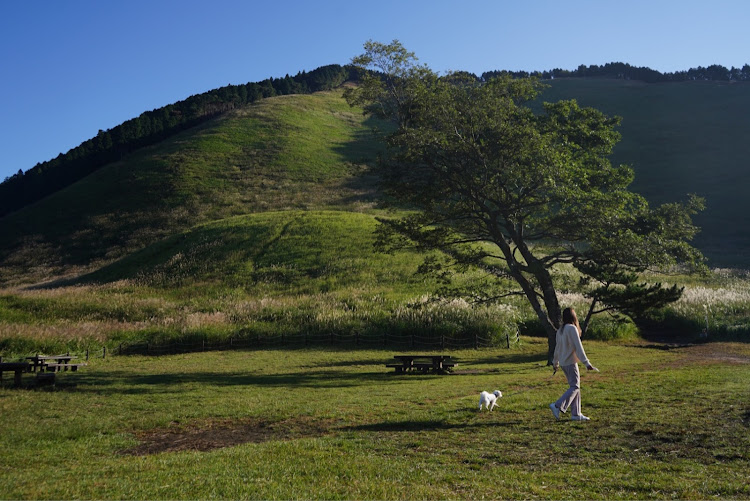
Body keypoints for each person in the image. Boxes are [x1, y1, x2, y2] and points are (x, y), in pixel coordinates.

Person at [550, 307, 598, 421]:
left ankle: (576, 414)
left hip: (564, 363)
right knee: (575, 386)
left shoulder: (560, 330)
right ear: (573, 316)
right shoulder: (572, 328)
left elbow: (557, 348)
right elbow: (578, 347)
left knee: (575, 386)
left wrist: (555, 362)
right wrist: (587, 363)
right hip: (570, 362)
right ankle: (557, 405)